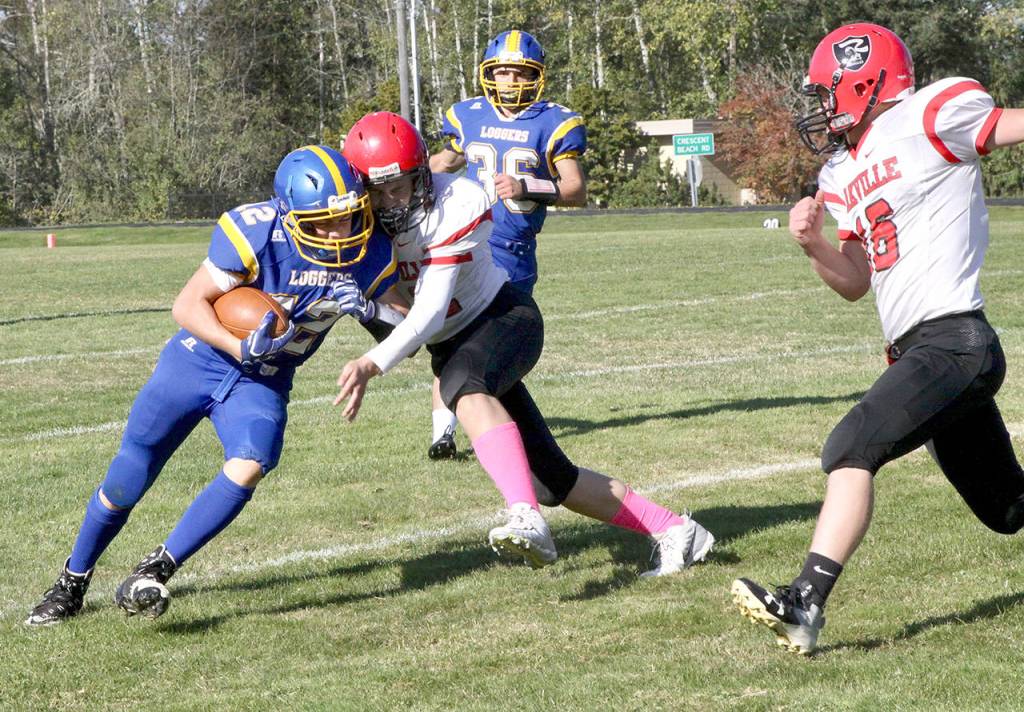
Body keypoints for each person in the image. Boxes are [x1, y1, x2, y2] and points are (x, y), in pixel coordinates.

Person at [731, 22, 1024, 654]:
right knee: (1008, 510)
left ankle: (804, 601)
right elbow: (855, 281)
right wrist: (811, 244)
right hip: (922, 353)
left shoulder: (928, 112)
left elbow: (1007, 124)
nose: (823, 107)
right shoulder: (840, 171)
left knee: (850, 446)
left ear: (865, 80)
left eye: (828, 91)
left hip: (955, 341)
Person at [26, 145, 404, 625]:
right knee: (127, 477)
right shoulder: (256, 232)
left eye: (346, 218)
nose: (336, 233)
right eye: (321, 223)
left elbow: (408, 331)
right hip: (198, 361)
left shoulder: (369, 253)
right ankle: (71, 582)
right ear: (289, 217)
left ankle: (155, 569)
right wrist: (236, 344)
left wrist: (373, 311)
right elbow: (186, 307)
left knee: (252, 461)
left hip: (265, 378)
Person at [337, 111, 713, 574]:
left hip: (504, 319)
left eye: (402, 186)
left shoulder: (456, 199)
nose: (392, 201)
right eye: (379, 191)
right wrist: (365, 306)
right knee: (553, 481)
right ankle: (676, 529)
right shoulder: (359, 228)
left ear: (423, 174)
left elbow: (431, 311)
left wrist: (370, 364)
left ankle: (525, 519)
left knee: (465, 387)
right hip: (453, 345)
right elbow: (410, 333)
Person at [423, 29, 588, 460]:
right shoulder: (469, 115)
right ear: (487, 73)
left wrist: (526, 185)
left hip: (512, 249)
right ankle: (443, 433)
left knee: (489, 345)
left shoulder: (553, 121)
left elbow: (575, 189)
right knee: (446, 336)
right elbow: (446, 160)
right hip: (464, 239)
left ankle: (491, 419)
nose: (510, 81)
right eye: (502, 72)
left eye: (519, 72)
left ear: (535, 76)